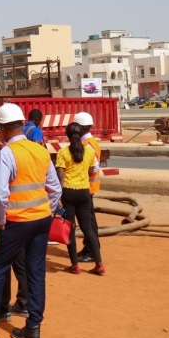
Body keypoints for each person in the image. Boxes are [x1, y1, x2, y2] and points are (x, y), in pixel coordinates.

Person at [0, 103, 62, 338]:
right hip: (40, 220)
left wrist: (2, 219)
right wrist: (47, 210)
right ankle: (33, 330)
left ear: (4, 129)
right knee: (36, 272)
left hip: (16, 222)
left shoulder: (7, 153)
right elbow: (55, 188)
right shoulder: (40, 150)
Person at [56, 123, 103, 275]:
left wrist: (58, 195)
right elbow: (91, 171)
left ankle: (75, 265)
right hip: (84, 192)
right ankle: (99, 264)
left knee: (70, 229)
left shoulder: (63, 152)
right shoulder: (89, 151)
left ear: (67, 135)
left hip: (68, 192)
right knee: (88, 228)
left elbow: (60, 176)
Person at [73, 111, 102, 262]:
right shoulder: (90, 142)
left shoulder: (87, 145)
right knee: (88, 220)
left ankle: (92, 250)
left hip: (86, 187)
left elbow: (93, 167)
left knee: (89, 222)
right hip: (88, 187)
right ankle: (88, 247)